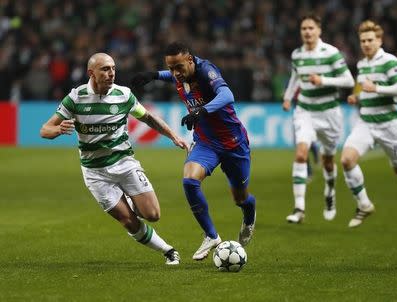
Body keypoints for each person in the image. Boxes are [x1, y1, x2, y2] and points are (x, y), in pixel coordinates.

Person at [40, 53, 188, 264]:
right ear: (91, 73)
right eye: (105, 69)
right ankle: (168, 250)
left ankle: (128, 198)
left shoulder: (123, 95)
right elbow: (45, 129)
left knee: (153, 214)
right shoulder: (76, 98)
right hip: (95, 172)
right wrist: (57, 130)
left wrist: (174, 136)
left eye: (113, 68)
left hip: (124, 163)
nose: (111, 73)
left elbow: (148, 117)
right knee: (128, 220)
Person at [131, 42, 256, 261]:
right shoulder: (180, 74)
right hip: (206, 143)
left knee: (240, 198)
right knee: (189, 180)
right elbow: (172, 76)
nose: (175, 73)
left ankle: (249, 214)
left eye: (178, 67)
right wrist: (154, 75)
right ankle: (211, 236)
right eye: (170, 68)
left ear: (191, 60)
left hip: (233, 143)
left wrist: (202, 111)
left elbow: (227, 95)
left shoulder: (207, 71)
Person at [341, 20, 397, 233]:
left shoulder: (390, 61)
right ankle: (364, 204)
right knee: (346, 160)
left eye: (370, 40)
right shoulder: (362, 64)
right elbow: (362, 88)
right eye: (363, 41)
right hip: (366, 122)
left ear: (379, 40)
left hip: (390, 126)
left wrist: (377, 88)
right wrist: (356, 96)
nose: (366, 44)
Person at [282, 14, 355, 223]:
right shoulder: (297, 55)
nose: (307, 32)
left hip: (329, 113)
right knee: (301, 154)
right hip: (305, 110)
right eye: (304, 28)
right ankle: (299, 209)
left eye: (311, 28)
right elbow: (296, 77)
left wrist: (322, 80)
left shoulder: (331, 53)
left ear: (319, 31)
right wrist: (288, 98)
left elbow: (348, 80)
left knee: (328, 161)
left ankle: (330, 192)